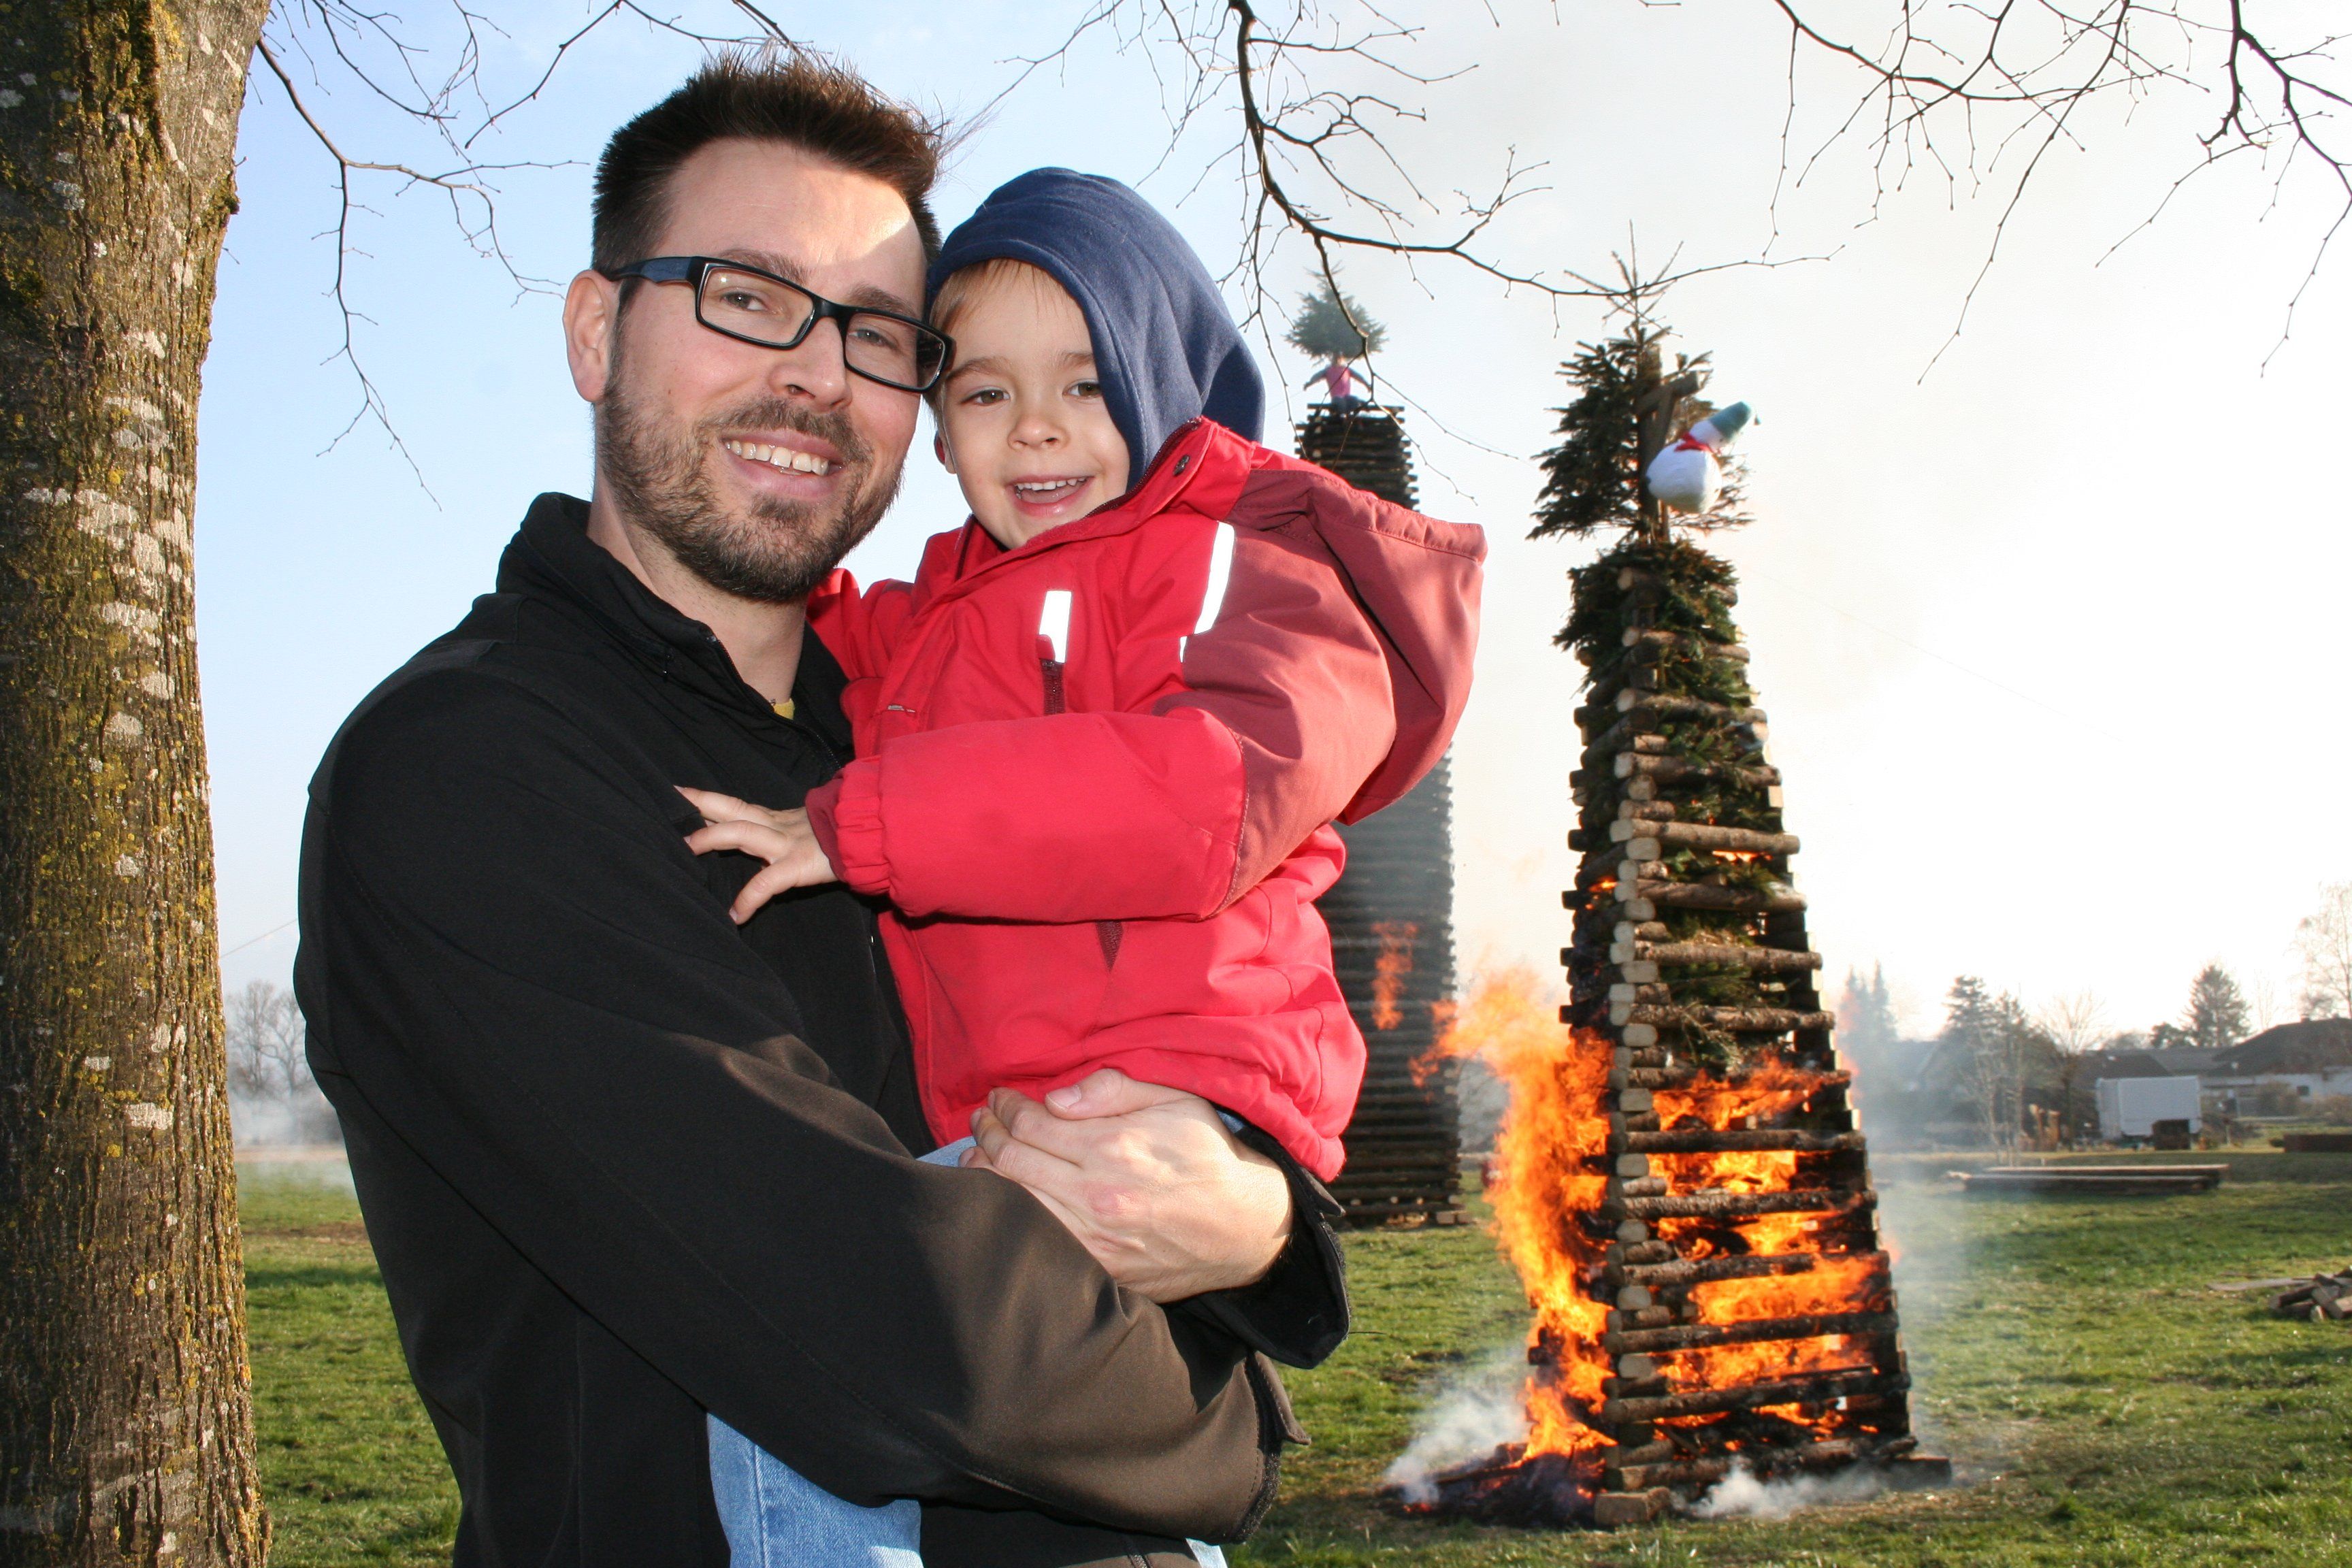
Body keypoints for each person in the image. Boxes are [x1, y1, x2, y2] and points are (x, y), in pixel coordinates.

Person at [296, 52, 1350, 1568]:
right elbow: (896, 1341)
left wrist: (1259, 1223)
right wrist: (1230, 1416)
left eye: (874, 333)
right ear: (596, 330)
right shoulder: (471, 763)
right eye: (743, 295)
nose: (812, 373)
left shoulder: (944, 733)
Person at [679, 169, 1486, 1567]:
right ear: (939, 427)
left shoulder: (1235, 567)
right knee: (1056, 1477)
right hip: (1033, 1117)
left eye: (1087, 383)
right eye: (986, 391)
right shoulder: (944, 602)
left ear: (1167, 388)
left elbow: (1201, 797)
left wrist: (863, 824)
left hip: (1167, 1087)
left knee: (796, 1344)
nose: (1037, 426)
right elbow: (806, 635)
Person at [1303, 356, 1369, 411]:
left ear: (1342, 360)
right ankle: (1342, 416)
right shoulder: (1328, 370)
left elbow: (1359, 377)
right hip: (1337, 398)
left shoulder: (1347, 370)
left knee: (1354, 400)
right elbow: (1317, 376)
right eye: (1335, 359)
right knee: (1341, 403)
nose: (1337, 361)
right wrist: (1309, 383)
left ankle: (1357, 408)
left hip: (1347, 397)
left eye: (1339, 359)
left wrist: (1367, 385)